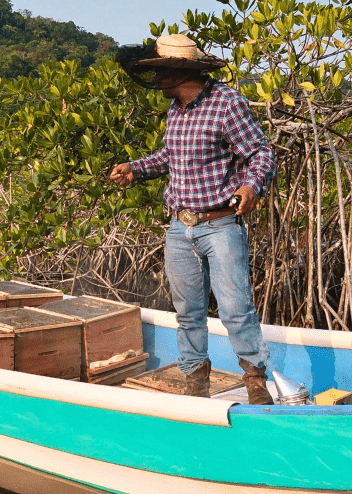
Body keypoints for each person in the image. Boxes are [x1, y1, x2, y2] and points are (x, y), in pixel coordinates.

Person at [110, 34, 277, 404]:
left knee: (235, 307)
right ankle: (195, 382)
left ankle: (255, 380)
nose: (154, 81)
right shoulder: (176, 110)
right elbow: (170, 158)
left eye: (158, 72)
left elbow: (261, 153)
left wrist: (251, 187)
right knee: (187, 312)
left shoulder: (226, 102)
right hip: (178, 228)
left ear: (177, 72)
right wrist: (134, 169)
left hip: (220, 225)